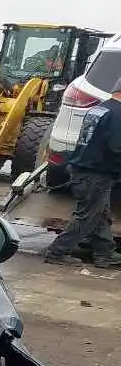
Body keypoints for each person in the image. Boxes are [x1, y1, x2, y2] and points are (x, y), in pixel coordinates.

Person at [45, 90, 121, 268]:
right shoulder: (118, 114)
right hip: (96, 172)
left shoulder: (99, 109)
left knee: (99, 213)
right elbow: (116, 148)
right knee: (86, 217)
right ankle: (57, 252)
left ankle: (105, 253)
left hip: (82, 168)